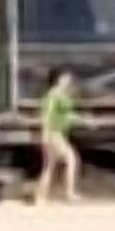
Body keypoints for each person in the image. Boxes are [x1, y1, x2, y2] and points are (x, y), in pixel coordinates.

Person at [35, 71, 84, 204]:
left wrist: (82, 120)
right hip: (53, 133)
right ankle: (69, 193)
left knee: (49, 166)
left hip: (58, 133)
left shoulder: (63, 95)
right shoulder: (53, 95)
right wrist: (45, 134)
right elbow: (47, 115)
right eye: (65, 77)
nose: (68, 80)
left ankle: (41, 198)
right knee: (71, 159)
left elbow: (66, 115)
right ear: (58, 79)